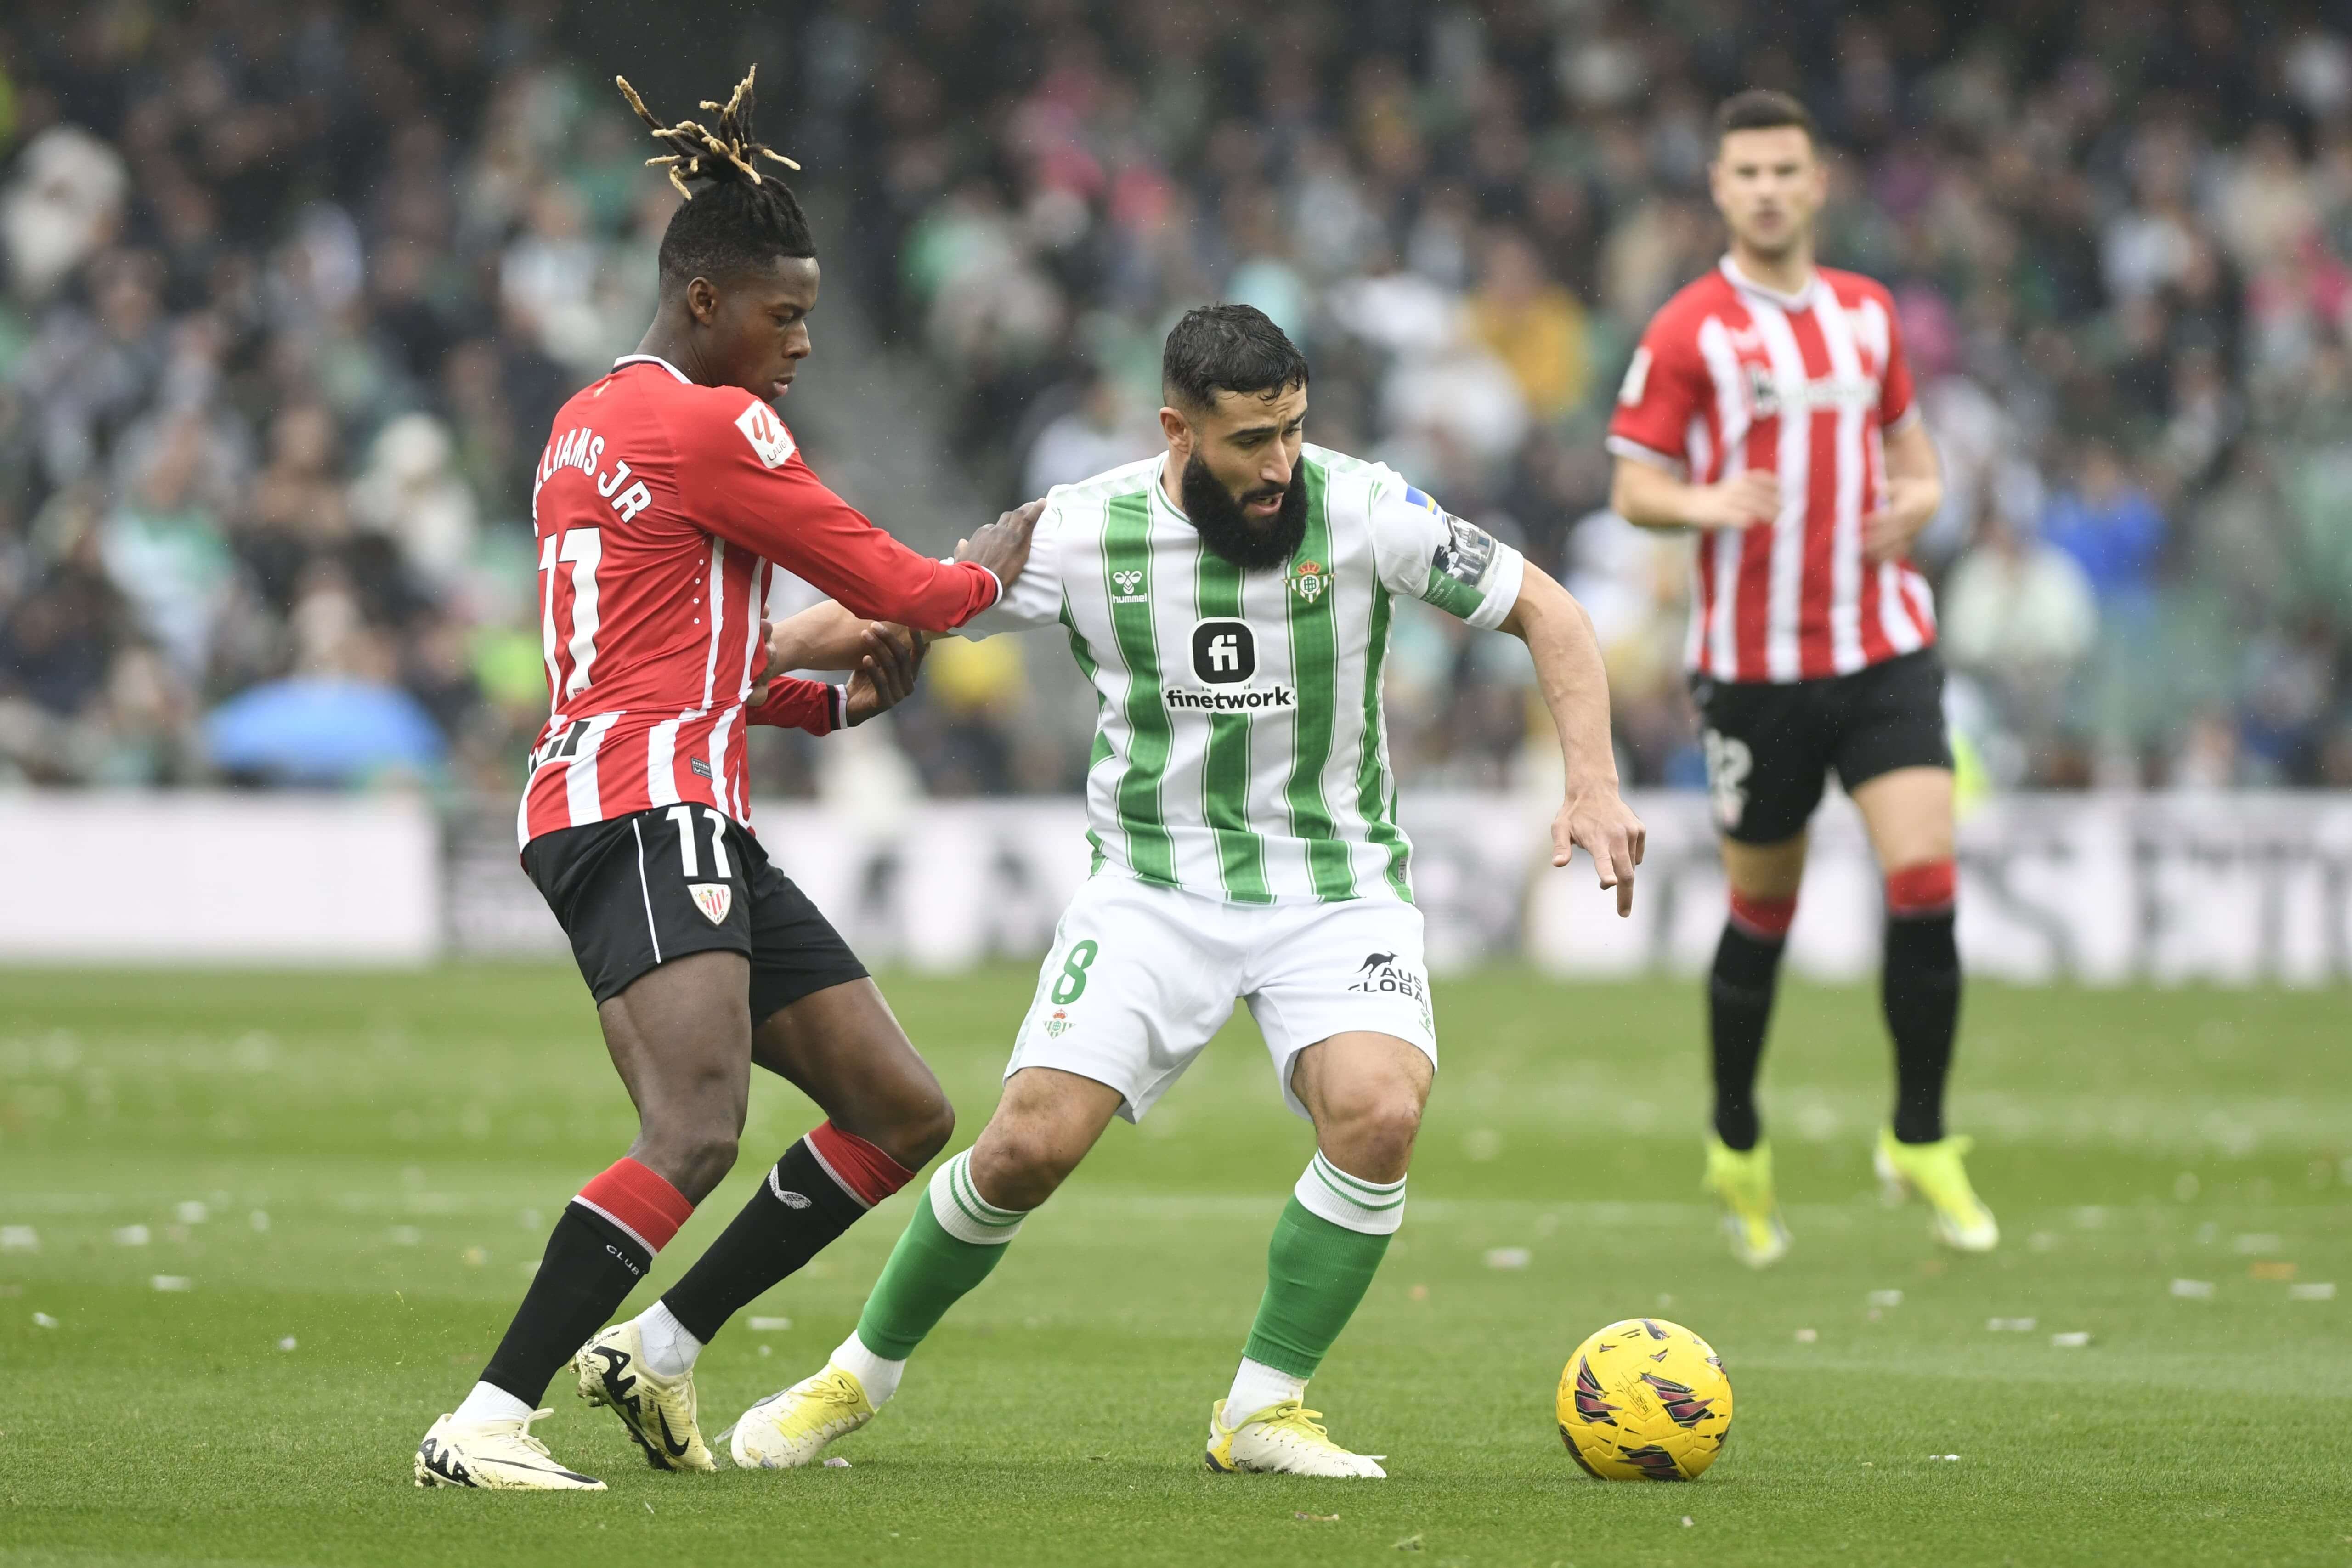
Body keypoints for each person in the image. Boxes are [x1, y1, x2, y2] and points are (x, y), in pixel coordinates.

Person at [721, 304, 1645, 1478]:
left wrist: (1593, 784)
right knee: (1027, 1148)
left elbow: (1547, 609)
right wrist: (742, 667)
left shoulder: (1365, 509)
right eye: (1250, 441)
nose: (1279, 467)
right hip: (1154, 890)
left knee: (1380, 1114)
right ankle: (856, 1376)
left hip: (1335, 888)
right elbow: (909, 597)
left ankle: (1262, 1408)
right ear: (1175, 429)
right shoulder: (1077, 530)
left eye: (1294, 432)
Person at [413, 68, 1040, 1491]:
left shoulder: (586, 422)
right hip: (648, 807)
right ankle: (488, 1418)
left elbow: (669, 650)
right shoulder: (718, 426)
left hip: (633, 790)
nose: (804, 343)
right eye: (786, 312)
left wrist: (817, 699)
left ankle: (663, 1345)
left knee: (899, 1110)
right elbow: (904, 582)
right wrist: (1005, 559)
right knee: (693, 1125)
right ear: (707, 301)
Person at [1606, 89, 1995, 1268]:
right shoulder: (1687, 331)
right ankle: (1737, 1140)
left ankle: (1919, 1135)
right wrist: (1703, 502)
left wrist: (1916, 504)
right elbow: (1633, 485)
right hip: (1754, 672)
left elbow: (1915, 466)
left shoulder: (1871, 318)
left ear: (1817, 182)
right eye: (1748, 173)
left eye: (1787, 168)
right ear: (1719, 190)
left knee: (1924, 877)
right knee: (1761, 914)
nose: (1769, 189)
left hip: (1882, 648)